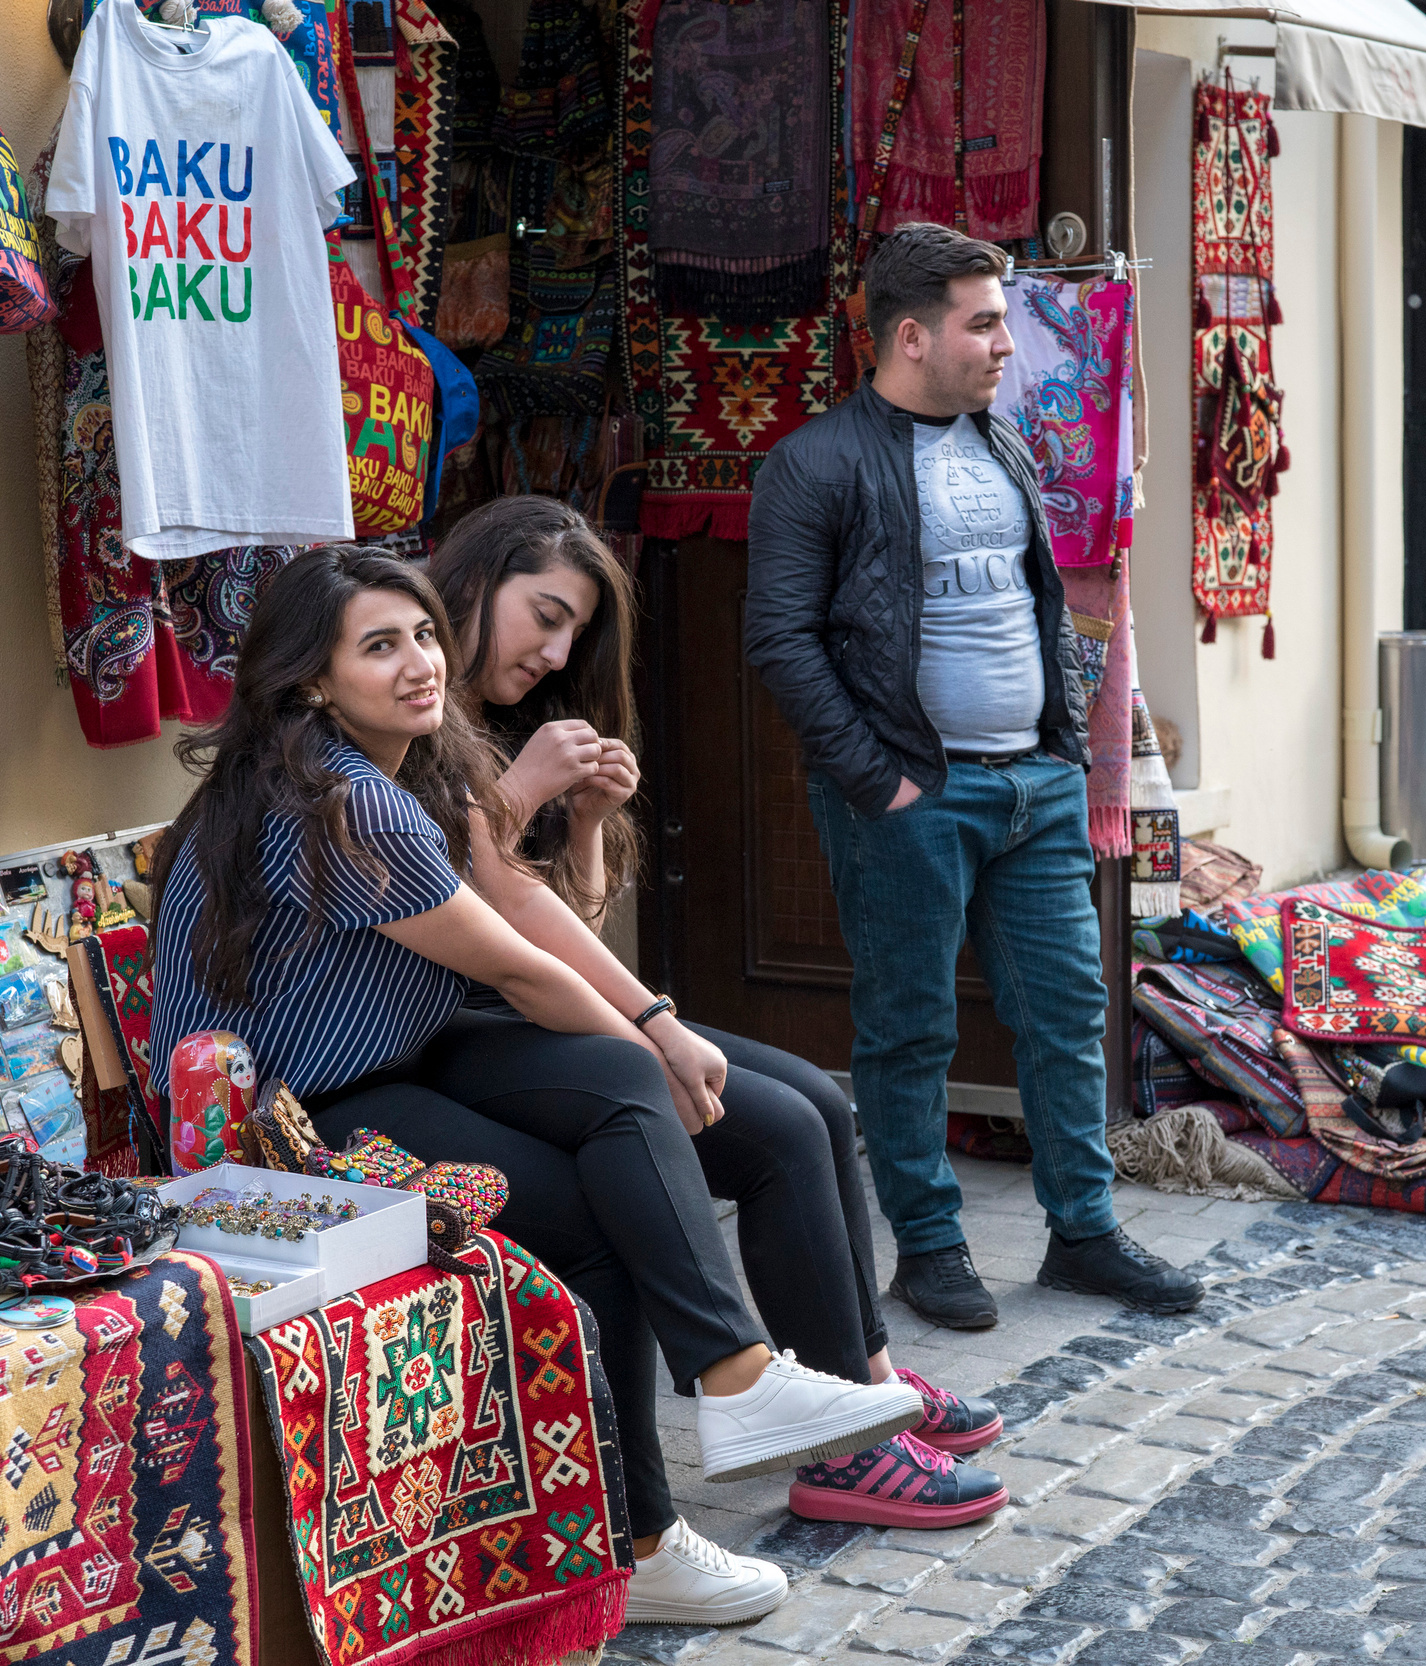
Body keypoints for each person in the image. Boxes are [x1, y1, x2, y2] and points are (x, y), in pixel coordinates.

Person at [148, 546, 929, 1625]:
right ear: (311, 681)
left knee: (624, 1081)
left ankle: (737, 1382)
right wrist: (659, 1034)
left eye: (423, 634)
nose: (421, 663)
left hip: (396, 1053)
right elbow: (510, 963)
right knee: (591, 1212)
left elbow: (530, 911)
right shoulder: (338, 800)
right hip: (290, 1125)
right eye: (381, 646)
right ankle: (643, 1537)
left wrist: (646, 1033)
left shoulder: (398, 765)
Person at [425, 495, 1009, 1528]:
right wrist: (650, 1021)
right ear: (477, 578)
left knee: (816, 1107)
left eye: (573, 633)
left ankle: (862, 1376)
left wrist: (592, 819)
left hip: (527, 1003)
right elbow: (471, 907)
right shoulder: (421, 726)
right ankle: (836, 1442)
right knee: (775, 1125)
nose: (558, 654)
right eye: (546, 615)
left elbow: (568, 914)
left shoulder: (506, 726)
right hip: (469, 1022)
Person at [742, 222, 1204, 1329]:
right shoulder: (816, 463)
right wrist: (878, 782)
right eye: (984, 322)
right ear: (911, 335)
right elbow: (779, 641)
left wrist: (1059, 753)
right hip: (911, 793)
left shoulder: (1000, 442)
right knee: (908, 1026)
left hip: (1035, 787)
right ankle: (932, 1247)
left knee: (1067, 1009)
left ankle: (1083, 1234)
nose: (1010, 343)